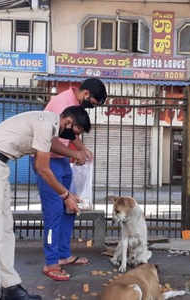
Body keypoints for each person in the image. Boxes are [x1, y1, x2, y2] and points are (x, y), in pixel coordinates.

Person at [0, 106, 90, 300]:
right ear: (68, 122)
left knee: (6, 230)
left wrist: (74, 154)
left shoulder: (48, 124)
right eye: (76, 132)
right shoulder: (46, 124)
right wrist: (66, 195)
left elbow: (51, 146)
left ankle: (10, 287)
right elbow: (42, 168)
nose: (74, 138)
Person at [35, 78, 107, 281]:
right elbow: (49, 142)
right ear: (86, 95)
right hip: (49, 163)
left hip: (63, 162)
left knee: (70, 208)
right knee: (53, 213)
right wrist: (74, 153)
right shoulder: (61, 103)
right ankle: (51, 262)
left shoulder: (73, 105)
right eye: (93, 103)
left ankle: (64, 255)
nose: (91, 107)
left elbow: (70, 133)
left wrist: (80, 149)